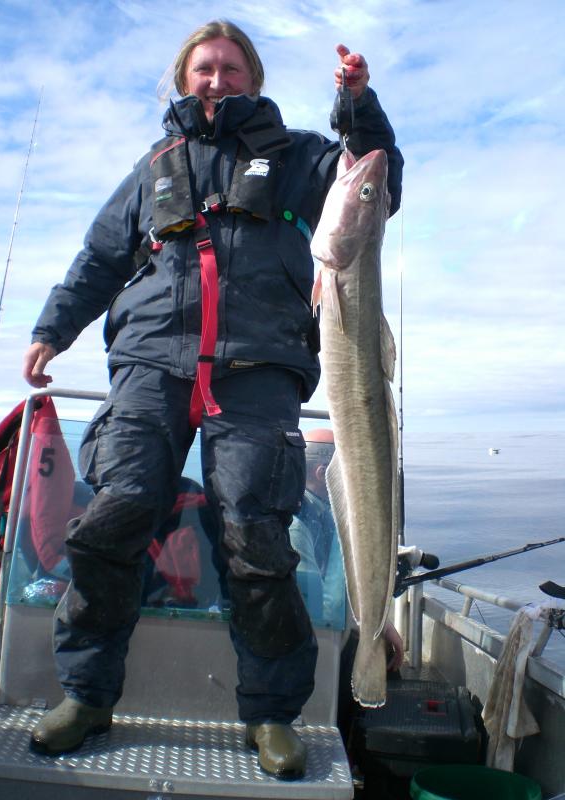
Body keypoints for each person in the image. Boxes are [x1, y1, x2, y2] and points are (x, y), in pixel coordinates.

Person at [22, 20, 403, 779]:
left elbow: (377, 178)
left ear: (253, 77)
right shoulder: (153, 167)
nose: (217, 79)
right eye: (204, 67)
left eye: (232, 67)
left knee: (256, 539)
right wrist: (52, 330)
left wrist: (357, 106)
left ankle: (271, 714)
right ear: (183, 77)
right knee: (111, 519)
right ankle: (88, 695)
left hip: (258, 369)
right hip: (149, 361)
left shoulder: (301, 158)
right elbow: (99, 258)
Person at [290, 429, 404, 668]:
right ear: (323, 474)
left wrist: (380, 623)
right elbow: (323, 610)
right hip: (314, 649)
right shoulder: (297, 526)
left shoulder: (323, 514)